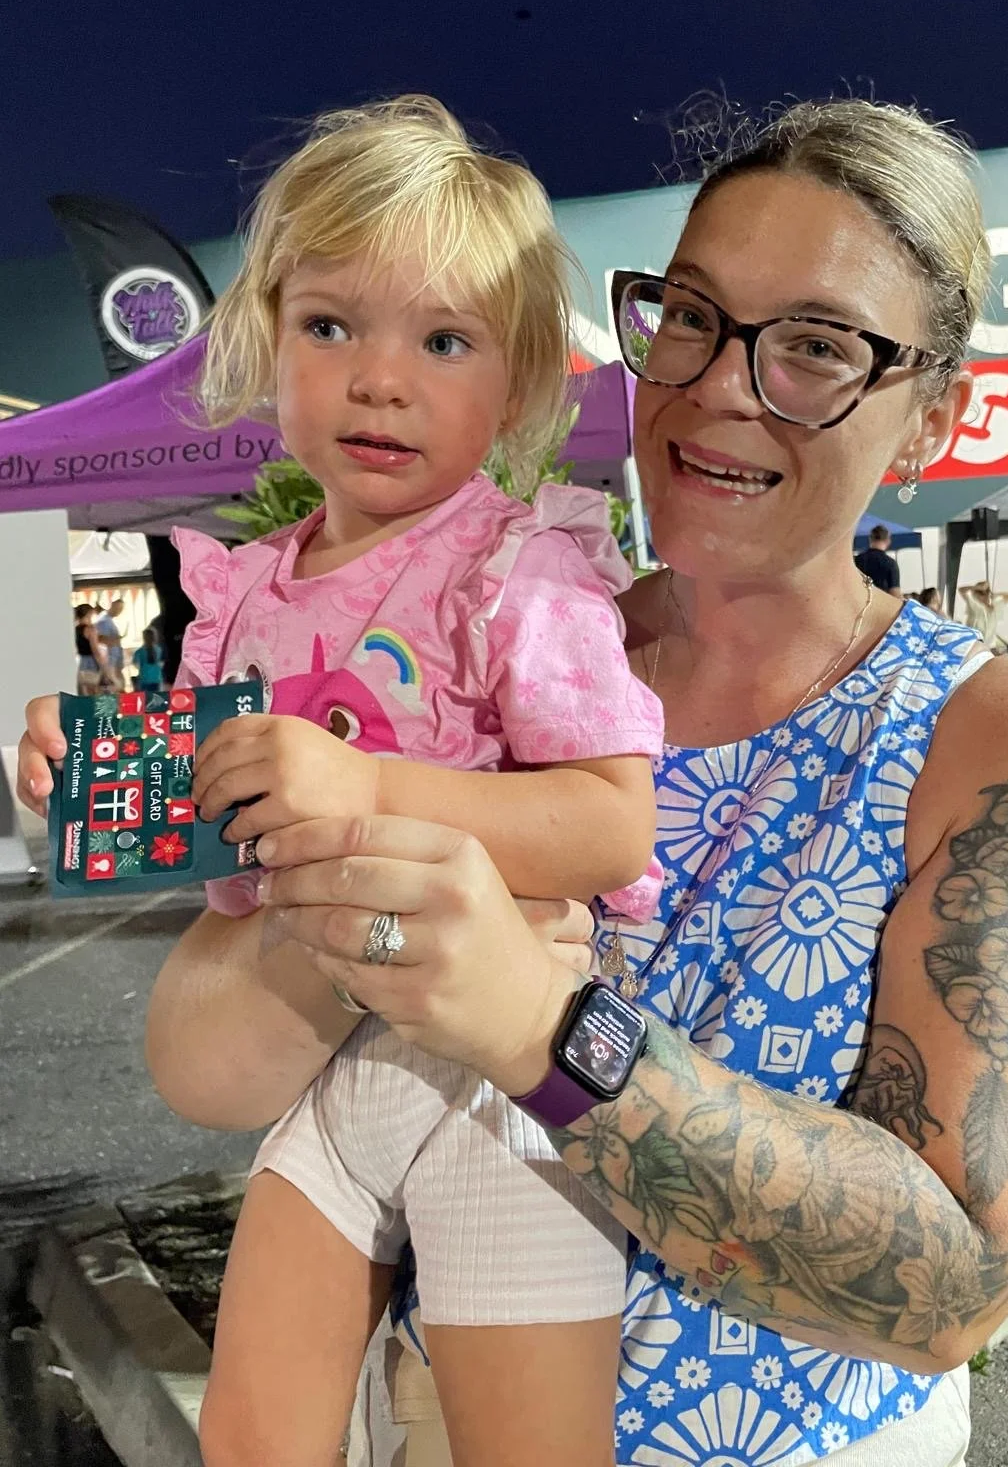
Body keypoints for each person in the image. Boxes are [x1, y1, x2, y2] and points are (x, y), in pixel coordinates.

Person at [22, 98, 1008, 1467]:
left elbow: (959, 1282)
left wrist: (544, 1027)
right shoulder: (472, 650)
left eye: (818, 349)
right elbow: (209, 1058)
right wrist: (159, 798)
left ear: (930, 421)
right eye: (693, 316)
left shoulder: (1000, 742)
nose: (724, 382)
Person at [23, 96, 664, 1467]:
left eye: (444, 340)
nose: (382, 379)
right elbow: (217, 848)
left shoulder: (518, 570)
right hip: (323, 1073)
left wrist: (363, 782)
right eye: (331, 327)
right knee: (254, 1437)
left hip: (507, 1087)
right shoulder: (246, 593)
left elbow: (611, 822)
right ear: (262, 340)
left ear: (522, 380)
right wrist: (87, 785)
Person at [958, 579, 1008, 652]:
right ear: (975, 595)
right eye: (981, 594)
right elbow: (961, 590)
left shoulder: (996, 605)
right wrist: (976, 588)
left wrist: (994, 595)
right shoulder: (973, 604)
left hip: (989, 647)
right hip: (973, 645)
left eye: (986, 593)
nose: (984, 596)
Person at [854, 521, 903, 595]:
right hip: (882, 603)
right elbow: (895, 593)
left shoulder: (856, 560)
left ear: (870, 539)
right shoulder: (890, 563)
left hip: (859, 603)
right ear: (888, 541)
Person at [93, 597, 126, 688]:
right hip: (109, 658)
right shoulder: (104, 621)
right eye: (118, 608)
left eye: (121, 609)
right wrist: (116, 639)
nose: (119, 611)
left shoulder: (110, 620)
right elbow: (101, 639)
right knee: (113, 684)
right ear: (112, 606)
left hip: (114, 658)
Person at [73, 602, 104, 695]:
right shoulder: (91, 629)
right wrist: (103, 666)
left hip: (81, 662)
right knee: (95, 693)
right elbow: (95, 649)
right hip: (92, 662)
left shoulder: (75, 629)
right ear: (89, 613)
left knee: (85, 692)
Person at [131, 627, 164, 692]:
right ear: (155, 637)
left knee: (146, 699)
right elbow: (162, 664)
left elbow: (135, 665)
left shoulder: (139, 652)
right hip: (156, 678)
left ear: (144, 638)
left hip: (144, 679)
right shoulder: (159, 650)